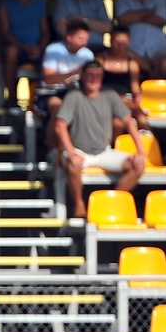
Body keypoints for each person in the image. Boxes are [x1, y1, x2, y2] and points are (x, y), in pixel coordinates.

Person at [54, 61, 145, 219]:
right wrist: (71, 152)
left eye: (97, 76)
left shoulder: (110, 94)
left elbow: (129, 122)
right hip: (79, 150)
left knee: (137, 165)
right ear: (82, 76)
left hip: (104, 151)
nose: (93, 79)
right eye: (90, 75)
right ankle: (79, 204)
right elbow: (59, 126)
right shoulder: (74, 96)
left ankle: (111, 202)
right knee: (72, 164)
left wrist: (141, 152)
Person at [38, 20, 95, 151]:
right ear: (69, 37)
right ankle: (52, 150)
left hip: (76, 93)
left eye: (86, 39)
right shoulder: (54, 50)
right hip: (50, 93)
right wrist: (75, 73)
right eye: (81, 39)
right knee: (58, 108)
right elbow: (49, 78)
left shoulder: (88, 54)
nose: (84, 43)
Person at [0, 0, 50, 107]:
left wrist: (40, 48)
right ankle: (12, 99)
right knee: (11, 52)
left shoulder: (40, 3)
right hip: (18, 48)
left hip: (37, 48)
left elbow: (45, 32)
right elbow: (4, 32)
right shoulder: (5, 3)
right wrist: (24, 47)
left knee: (51, 52)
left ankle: (41, 99)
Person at [115, 0, 166, 78]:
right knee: (132, 62)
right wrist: (148, 12)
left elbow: (159, 19)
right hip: (132, 44)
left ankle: (158, 92)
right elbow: (123, 18)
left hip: (156, 44)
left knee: (165, 64)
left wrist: (134, 16)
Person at [96, 26, 149, 132]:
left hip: (127, 100)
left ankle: (146, 143)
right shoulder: (101, 59)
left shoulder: (132, 62)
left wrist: (137, 96)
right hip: (105, 98)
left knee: (142, 120)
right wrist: (117, 98)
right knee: (117, 124)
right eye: (117, 42)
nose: (120, 46)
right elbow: (96, 85)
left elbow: (135, 86)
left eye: (124, 43)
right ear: (110, 40)